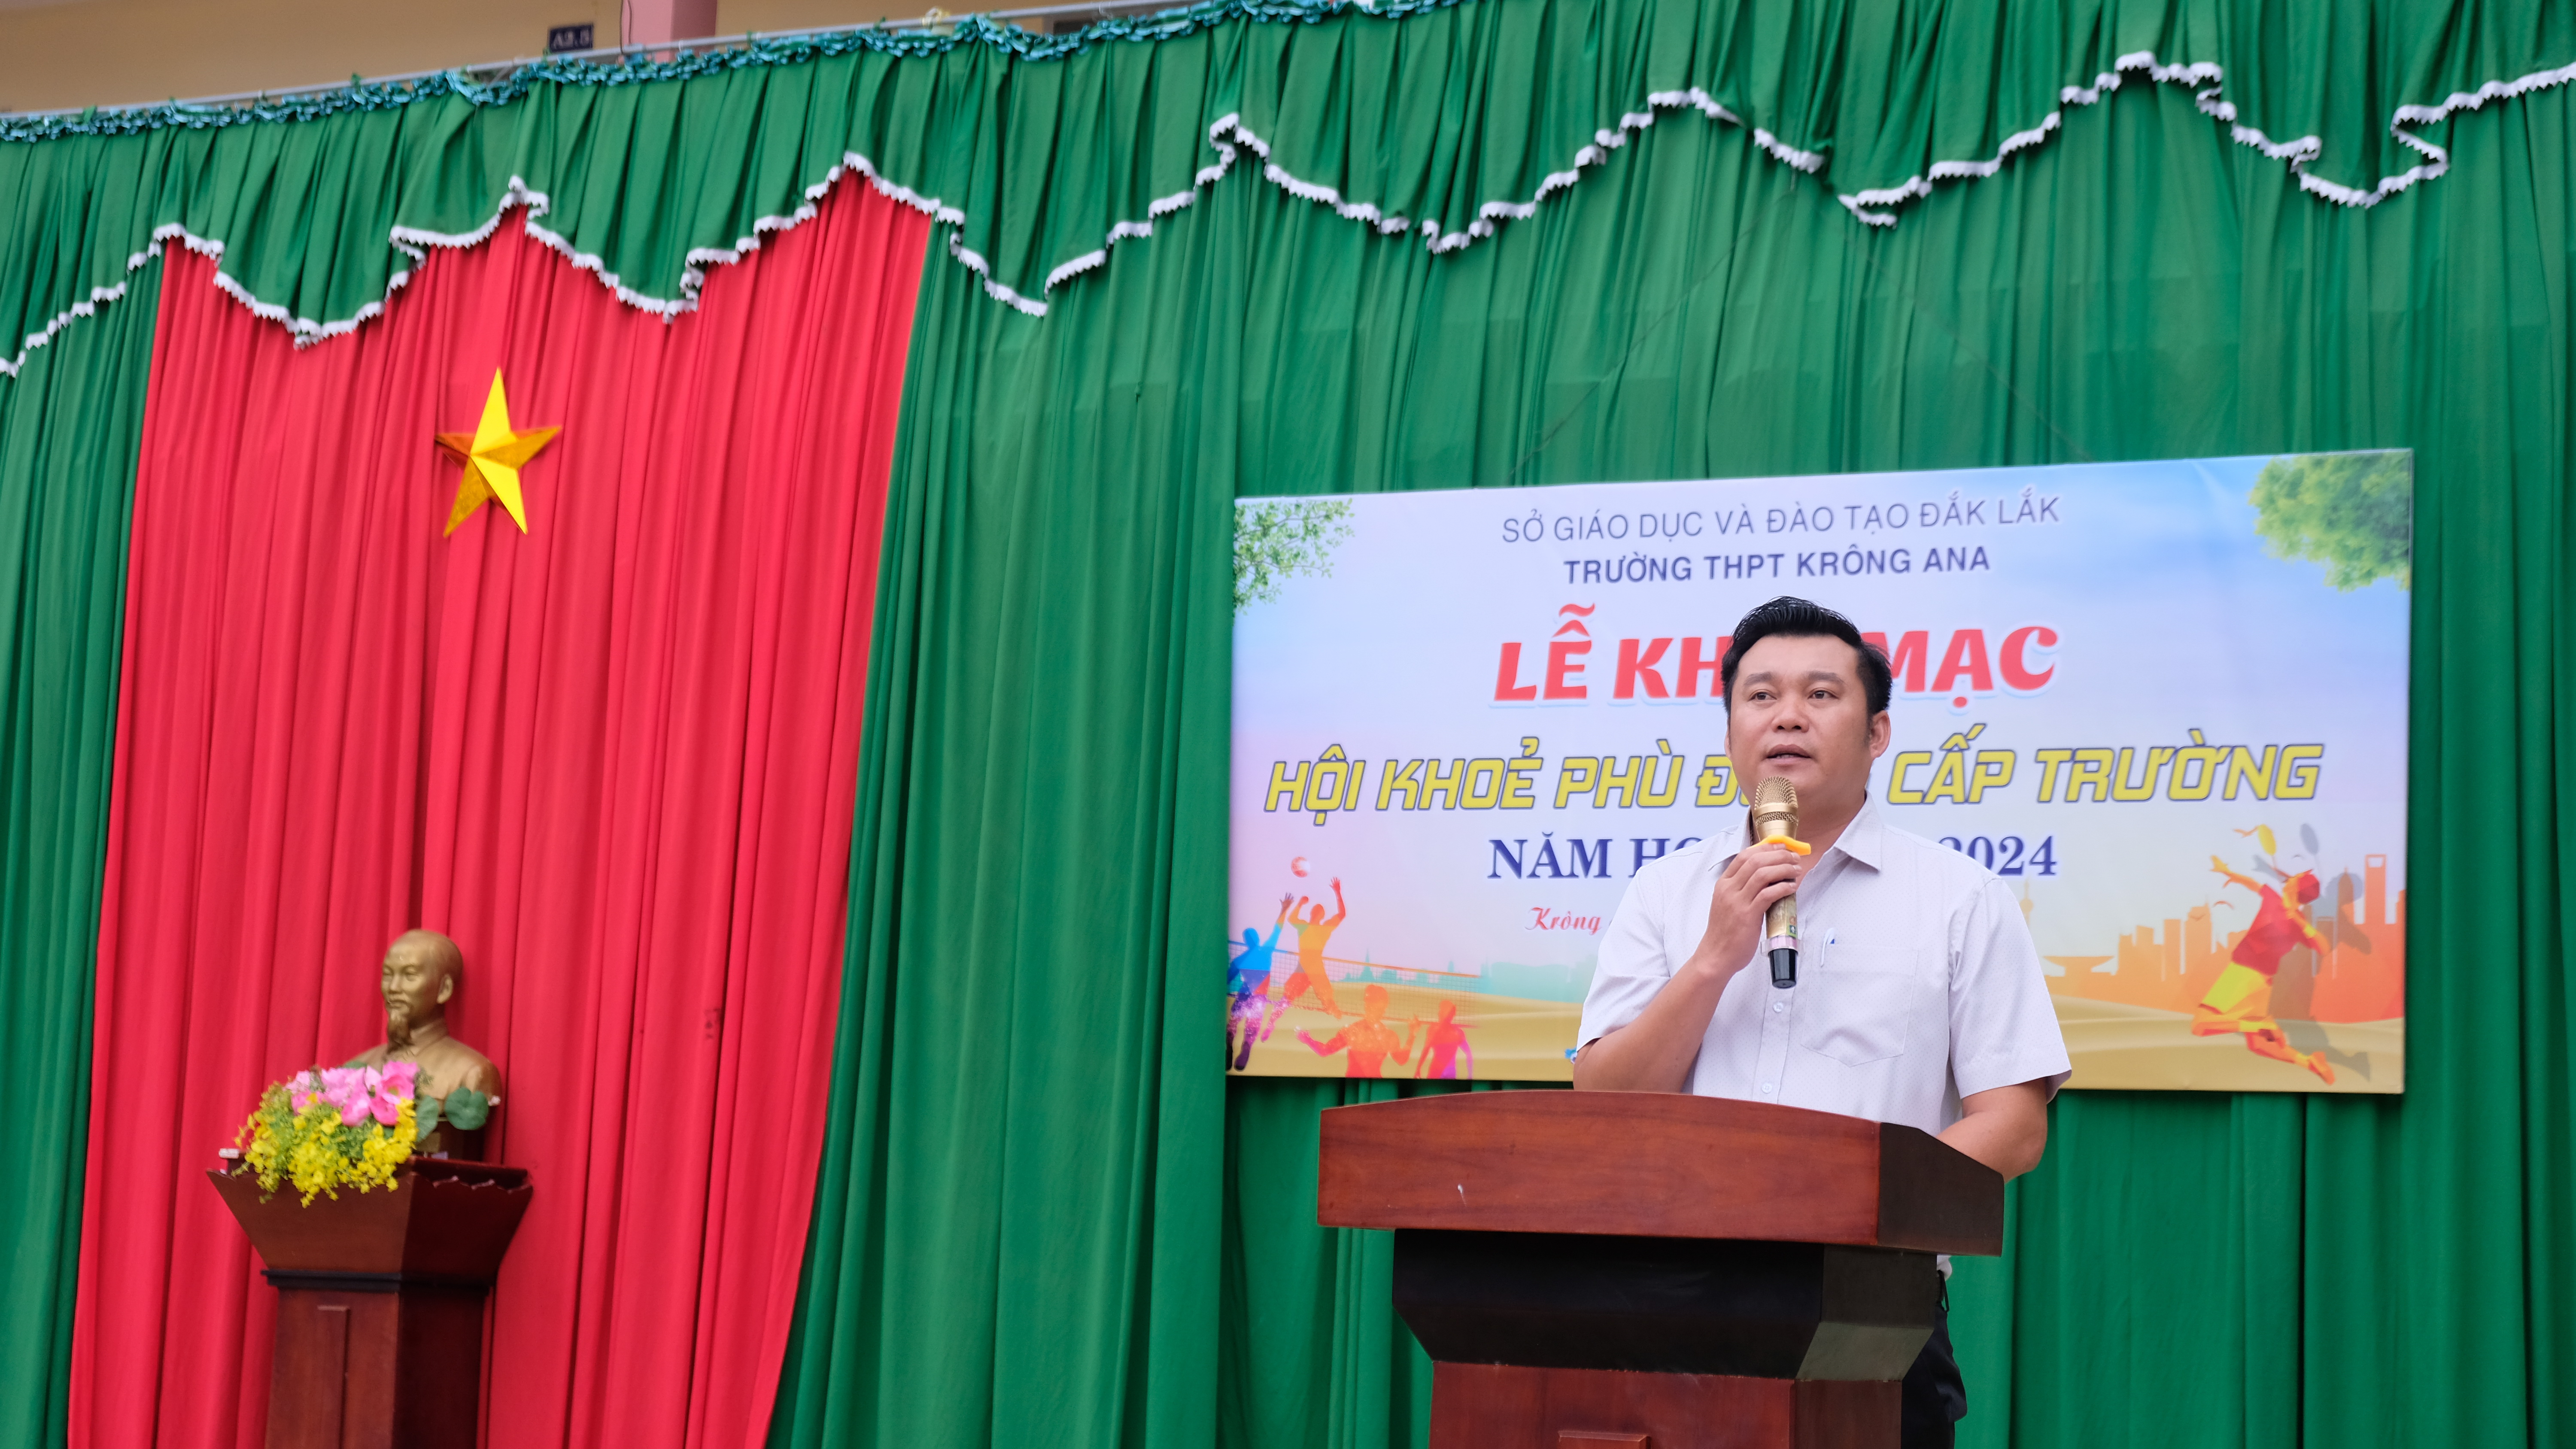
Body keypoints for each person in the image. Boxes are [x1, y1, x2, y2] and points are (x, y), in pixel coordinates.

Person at [1574, 597, 2070, 1449]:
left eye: (1821, 694)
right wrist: (1713, 958)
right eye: (1761, 695)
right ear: (1730, 729)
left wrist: (1843, 1197)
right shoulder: (1665, 892)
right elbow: (1603, 1099)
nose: (1788, 716)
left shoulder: (1959, 896)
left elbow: (2015, 1126)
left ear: (1878, 733)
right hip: (1678, 1297)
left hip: (1873, 1305)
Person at [347, 928, 504, 1158]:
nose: (393, 988)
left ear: (444, 989)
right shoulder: (356, 1068)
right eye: (388, 975)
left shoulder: (472, 1073)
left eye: (410, 976)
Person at [2195, 829, 2336, 1083]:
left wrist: (2299, 921)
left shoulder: (2285, 910)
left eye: (2295, 878)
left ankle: (2259, 1025)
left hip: (2244, 974)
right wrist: (2228, 873)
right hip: (2263, 982)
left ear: (2296, 887)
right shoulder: (2283, 907)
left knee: (2201, 1025)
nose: (2290, 878)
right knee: (2259, 1045)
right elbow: (2252, 883)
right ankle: (2310, 1062)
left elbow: (2324, 948)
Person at [1297, 983, 1419, 1077]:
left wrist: (1307, 1039)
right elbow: (1325, 1051)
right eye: (1376, 1005)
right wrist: (1412, 1035)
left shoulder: (1355, 1031)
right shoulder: (1357, 1032)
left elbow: (1324, 1051)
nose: (1377, 1009)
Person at [1229, 897, 1292, 1070]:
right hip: (1259, 998)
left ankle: (1229, 1042)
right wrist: (1284, 910)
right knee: (1252, 1028)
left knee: (1233, 1023)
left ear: (1246, 942)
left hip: (1243, 995)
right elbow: (1277, 931)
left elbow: (1228, 979)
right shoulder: (1266, 951)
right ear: (1257, 939)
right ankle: (1247, 1046)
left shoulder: (1240, 960)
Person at [1280, 879, 1349, 1018]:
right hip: (1308, 967)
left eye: (1318, 910)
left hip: (1311, 966)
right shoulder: (1310, 927)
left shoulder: (1320, 928)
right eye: (1316, 910)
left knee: (1325, 998)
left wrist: (1338, 892)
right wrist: (1300, 904)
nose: (1317, 912)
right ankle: (1276, 1015)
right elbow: (1292, 919)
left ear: (1319, 915)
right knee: (1289, 996)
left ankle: (1332, 1010)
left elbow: (1342, 914)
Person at [1412, 1000, 1475, 1080]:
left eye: (1444, 1012)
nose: (1440, 1014)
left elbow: (1469, 1054)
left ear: (1451, 1015)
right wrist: (1418, 1069)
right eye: (1441, 1011)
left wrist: (1470, 1075)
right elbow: (1426, 1050)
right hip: (1438, 1070)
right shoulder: (1434, 1030)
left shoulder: (1457, 1033)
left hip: (1447, 1071)